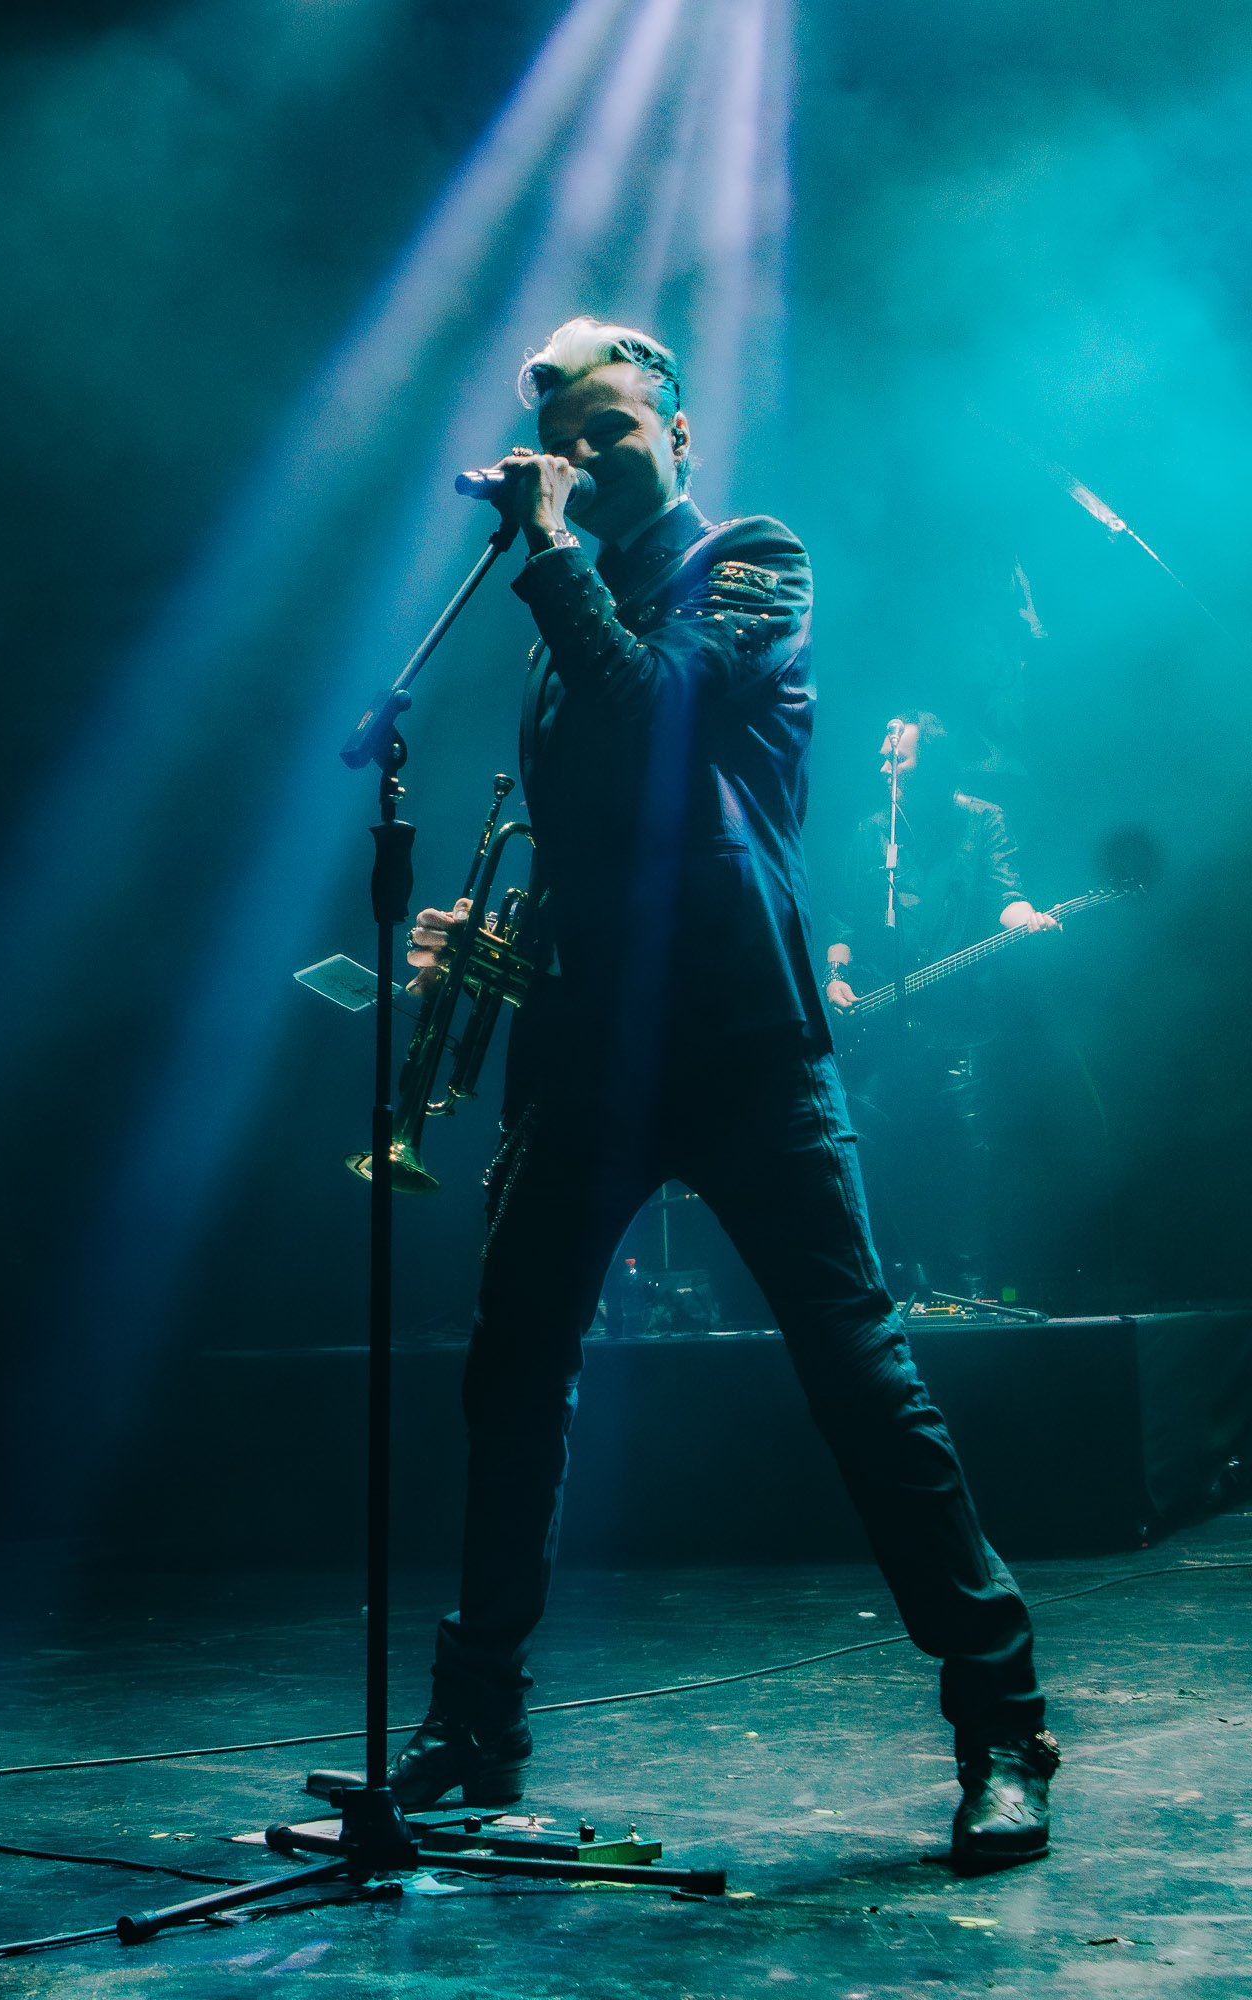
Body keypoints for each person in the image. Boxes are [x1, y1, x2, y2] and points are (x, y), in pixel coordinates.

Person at [396, 318, 1058, 1870]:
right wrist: (494, 938)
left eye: (612, 427)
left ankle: (1003, 1723)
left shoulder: (752, 562)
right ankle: (475, 1721)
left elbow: (658, 719)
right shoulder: (565, 620)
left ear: (679, 436)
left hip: (741, 1040)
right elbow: (600, 836)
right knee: (511, 1375)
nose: (581, 454)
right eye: (564, 433)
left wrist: (552, 549)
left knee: (860, 1378)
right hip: (587, 1049)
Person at [824, 714, 1057, 1298]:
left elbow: (1005, 894)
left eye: (897, 758)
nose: (884, 768)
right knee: (878, 1157)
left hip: (958, 1027)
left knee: (961, 1162)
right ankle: (900, 1289)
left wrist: (1025, 918)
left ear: (931, 765)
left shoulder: (982, 820)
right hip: (883, 1032)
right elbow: (844, 921)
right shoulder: (872, 832)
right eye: (884, 757)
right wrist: (835, 976)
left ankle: (972, 1295)